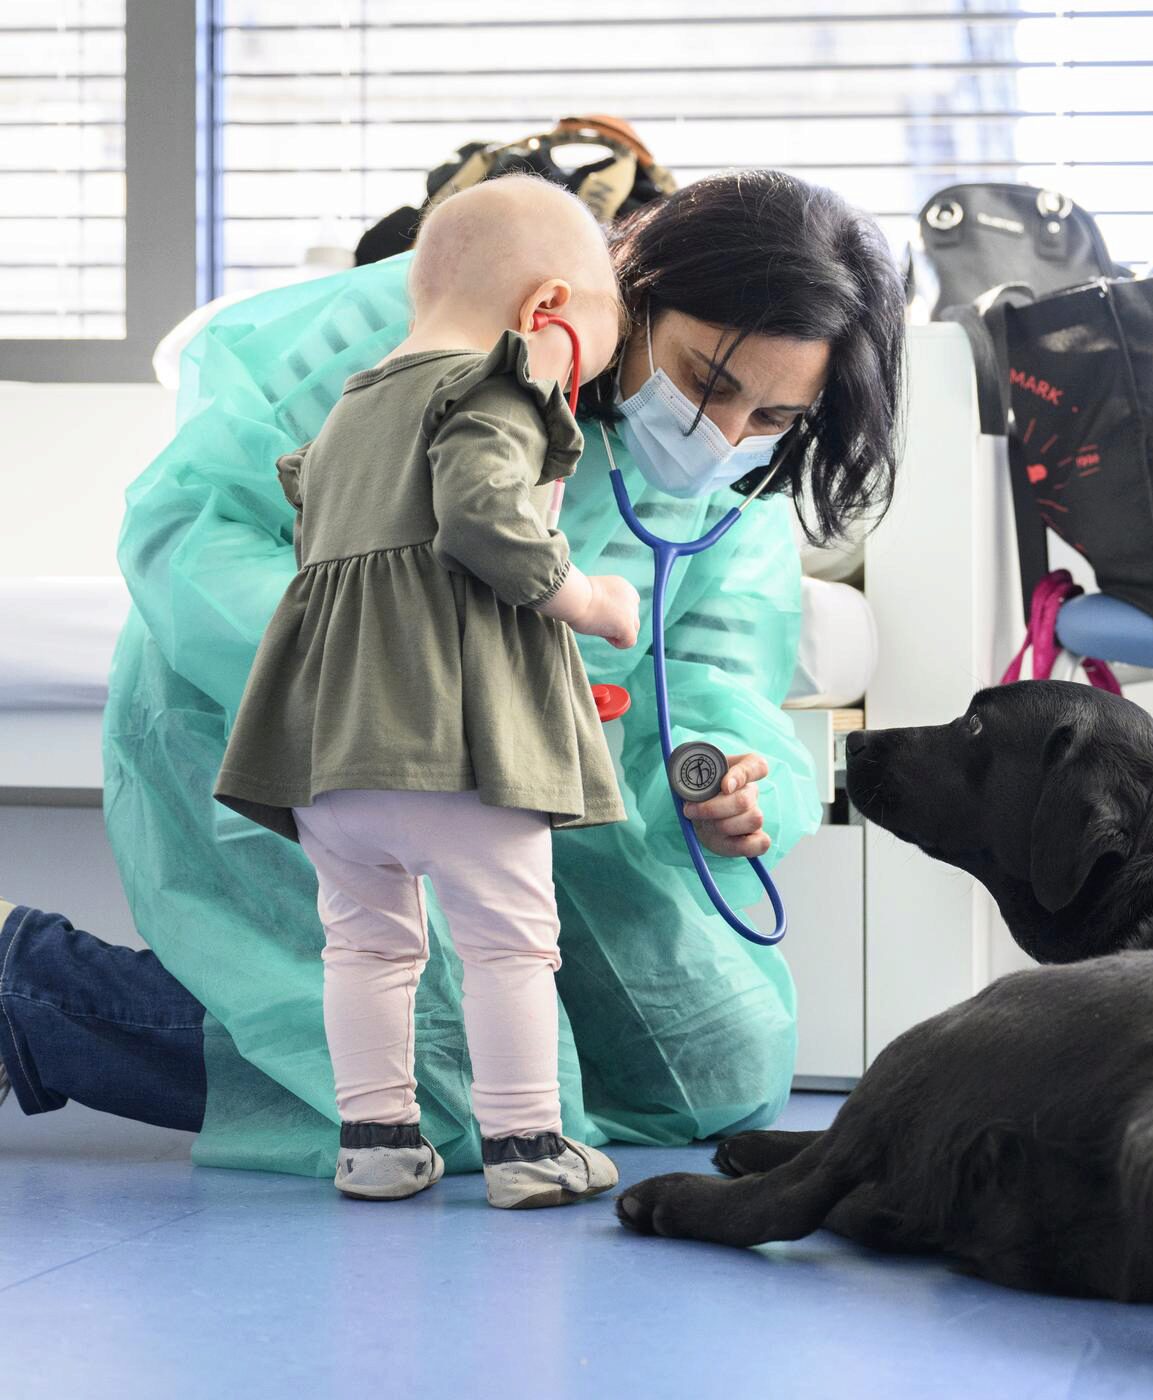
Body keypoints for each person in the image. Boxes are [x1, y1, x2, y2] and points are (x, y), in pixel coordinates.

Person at [0, 169, 906, 1180]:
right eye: (706, 381)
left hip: (534, 767)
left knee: (717, 1071)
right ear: (626, 293)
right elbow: (192, 529)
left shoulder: (735, 499)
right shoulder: (435, 323)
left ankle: (494, 1070)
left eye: (776, 418)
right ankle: (29, 979)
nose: (724, 440)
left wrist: (726, 775)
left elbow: (708, 672)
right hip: (321, 718)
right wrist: (386, 661)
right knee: (438, 1100)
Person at [214, 176, 641, 1208]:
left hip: (331, 748)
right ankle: (527, 1146)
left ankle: (375, 1141)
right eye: (592, 346)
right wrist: (586, 597)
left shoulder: (349, 408)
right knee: (508, 943)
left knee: (363, 942)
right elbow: (483, 520)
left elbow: (339, 548)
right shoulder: (491, 387)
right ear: (545, 312)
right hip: (456, 747)